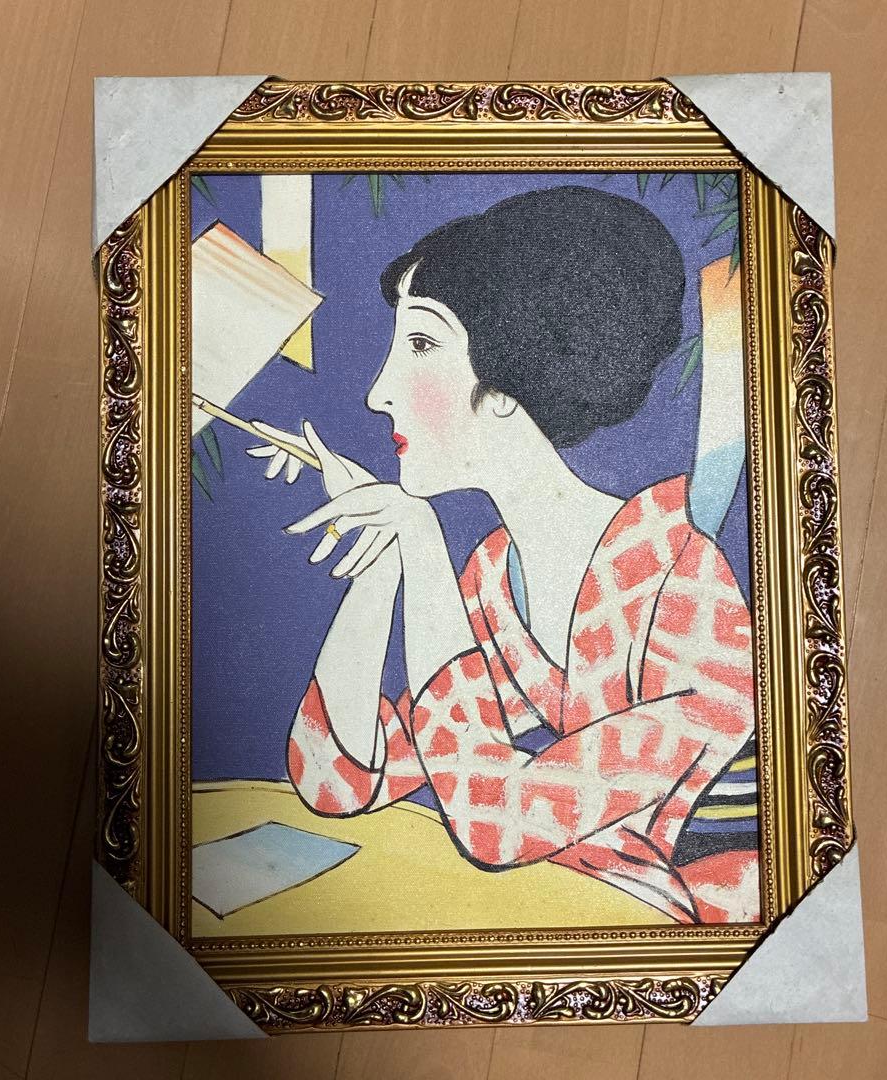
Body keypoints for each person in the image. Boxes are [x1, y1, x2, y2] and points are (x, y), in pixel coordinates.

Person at [249, 186, 759, 924]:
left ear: (509, 381)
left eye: (421, 345)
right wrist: (383, 563)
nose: (379, 393)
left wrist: (422, 547)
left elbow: (499, 819)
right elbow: (340, 777)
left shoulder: (682, 580)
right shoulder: (496, 580)